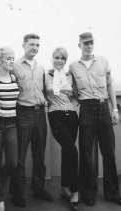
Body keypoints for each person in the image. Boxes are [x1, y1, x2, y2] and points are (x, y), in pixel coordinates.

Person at [69, 32, 121, 206]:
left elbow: (110, 86)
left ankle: (112, 193)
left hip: (103, 109)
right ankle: (89, 192)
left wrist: (114, 109)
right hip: (86, 110)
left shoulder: (103, 62)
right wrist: (80, 102)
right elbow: (71, 89)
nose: (89, 46)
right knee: (86, 153)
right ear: (79, 45)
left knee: (108, 152)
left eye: (91, 42)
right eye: (85, 43)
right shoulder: (73, 66)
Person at [11, 33, 54, 207]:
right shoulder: (14, 66)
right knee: (20, 157)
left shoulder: (40, 67)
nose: (35, 48)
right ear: (23, 45)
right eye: (32, 45)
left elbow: (45, 89)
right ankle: (17, 193)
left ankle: (38, 188)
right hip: (23, 114)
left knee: (39, 154)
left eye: (37, 45)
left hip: (40, 114)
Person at [45, 47, 79, 211]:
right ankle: (74, 190)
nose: (59, 61)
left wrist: (65, 89)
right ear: (52, 58)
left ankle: (64, 187)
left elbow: (74, 94)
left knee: (68, 152)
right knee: (72, 151)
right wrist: (65, 89)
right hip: (56, 115)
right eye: (56, 57)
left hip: (72, 116)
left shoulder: (70, 76)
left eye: (62, 59)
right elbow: (49, 90)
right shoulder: (47, 75)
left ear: (66, 60)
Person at [0, 47, 19, 211]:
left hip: (12, 124)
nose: (12, 61)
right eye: (9, 58)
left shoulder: (14, 77)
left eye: (13, 58)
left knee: (13, 162)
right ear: (0, 61)